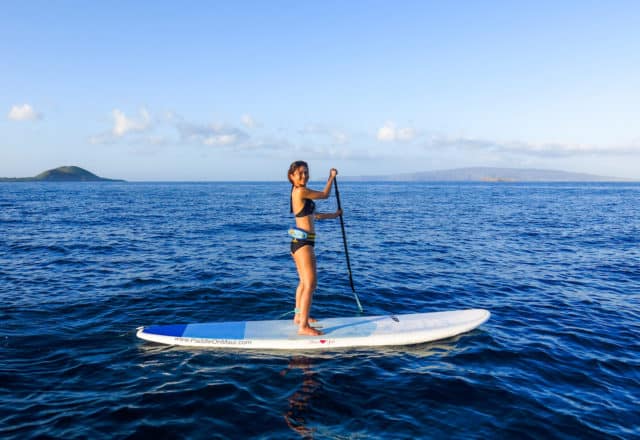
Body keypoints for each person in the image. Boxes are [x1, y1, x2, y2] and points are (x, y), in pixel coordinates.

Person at [287, 161, 342, 336]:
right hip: (303, 245)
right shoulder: (301, 191)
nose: (304, 176)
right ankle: (303, 326)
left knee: (304, 283)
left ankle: (299, 317)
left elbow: (313, 216)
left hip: (300, 242)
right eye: (300, 173)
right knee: (311, 284)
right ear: (292, 176)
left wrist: (334, 215)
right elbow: (325, 195)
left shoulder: (300, 193)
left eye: (306, 172)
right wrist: (331, 177)